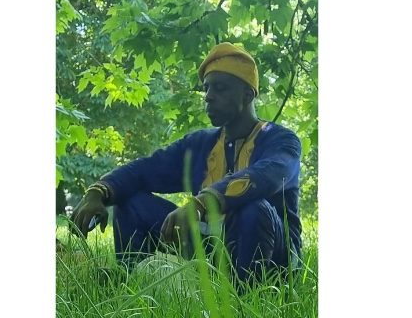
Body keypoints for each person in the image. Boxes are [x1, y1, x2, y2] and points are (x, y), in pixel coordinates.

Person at [70, 42, 302, 287]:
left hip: (275, 261)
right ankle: (130, 282)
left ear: (247, 94)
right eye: (206, 88)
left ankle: (244, 300)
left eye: (220, 88)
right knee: (131, 201)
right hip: (211, 247)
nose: (209, 97)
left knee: (254, 208)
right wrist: (98, 192)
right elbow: (144, 170)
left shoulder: (281, 140)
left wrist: (202, 203)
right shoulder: (201, 143)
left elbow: (267, 175)